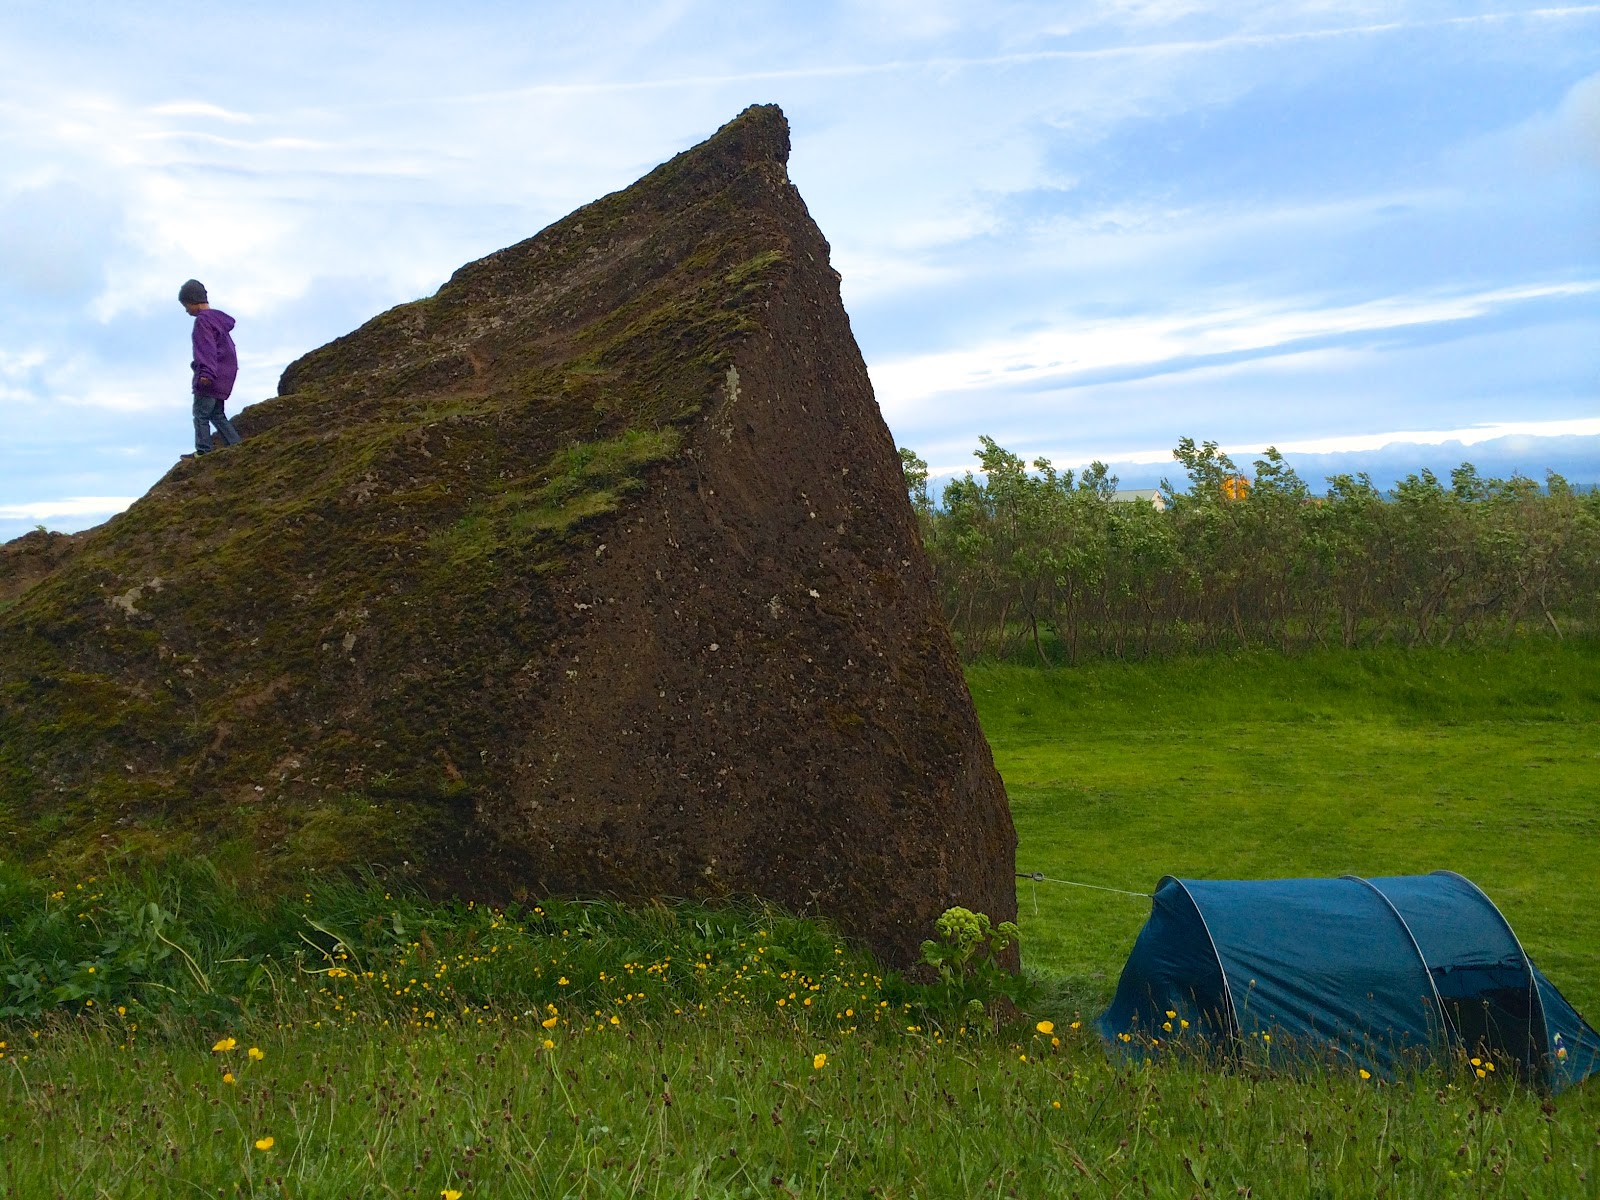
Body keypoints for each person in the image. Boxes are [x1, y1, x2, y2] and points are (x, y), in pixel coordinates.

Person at [179, 279, 242, 455]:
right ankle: (237, 446)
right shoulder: (218, 320)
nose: (186, 311)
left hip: (210, 376)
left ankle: (203, 451)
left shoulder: (203, 321)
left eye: (186, 305)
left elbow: (207, 348)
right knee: (217, 414)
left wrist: (206, 373)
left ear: (193, 301)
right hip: (224, 375)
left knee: (200, 414)